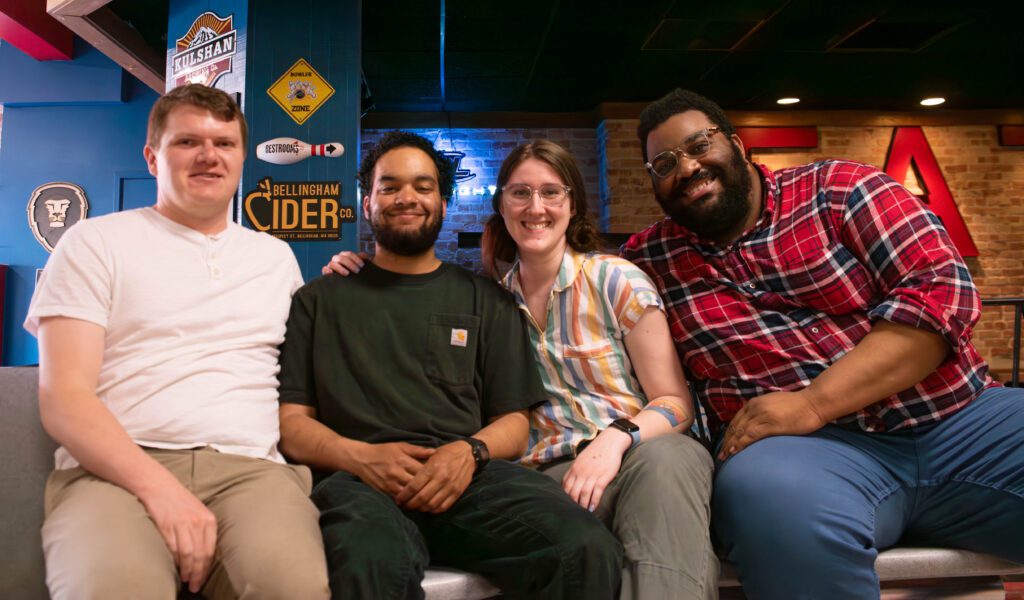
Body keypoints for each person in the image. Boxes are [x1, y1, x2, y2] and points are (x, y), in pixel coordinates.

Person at [621, 88, 1024, 599]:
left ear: (739, 145)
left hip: (962, 422)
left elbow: (940, 293)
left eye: (700, 145)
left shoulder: (841, 189)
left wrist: (813, 402)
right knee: (767, 503)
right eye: (664, 163)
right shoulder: (648, 261)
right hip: (804, 460)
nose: (687, 168)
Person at [327, 139, 719, 600]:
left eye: (551, 192)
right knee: (571, 544)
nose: (536, 207)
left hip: (635, 456)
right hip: (547, 475)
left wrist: (613, 439)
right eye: (520, 193)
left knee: (670, 461)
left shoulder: (615, 279)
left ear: (573, 204)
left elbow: (675, 404)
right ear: (502, 205)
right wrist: (360, 270)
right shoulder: (491, 301)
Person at [277, 130, 623, 600]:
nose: (407, 198)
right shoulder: (318, 301)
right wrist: (360, 457)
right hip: (358, 482)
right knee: (372, 567)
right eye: (389, 186)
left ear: (443, 203)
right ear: (366, 203)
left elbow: (514, 424)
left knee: (583, 549)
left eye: (423, 187)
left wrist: (468, 452)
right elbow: (293, 426)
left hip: (468, 478)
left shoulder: (487, 300)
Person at [23, 84, 329, 600]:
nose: (209, 156)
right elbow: (64, 398)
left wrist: (352, 276)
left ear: (241, 157)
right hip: (113, 471)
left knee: (291, 587)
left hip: (252, 473)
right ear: (152, 157)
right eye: (188, 142)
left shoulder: (276, 258)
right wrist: (162, 491)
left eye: (225, 144)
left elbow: (307, 367)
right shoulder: (94, 242)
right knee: (112, 589)